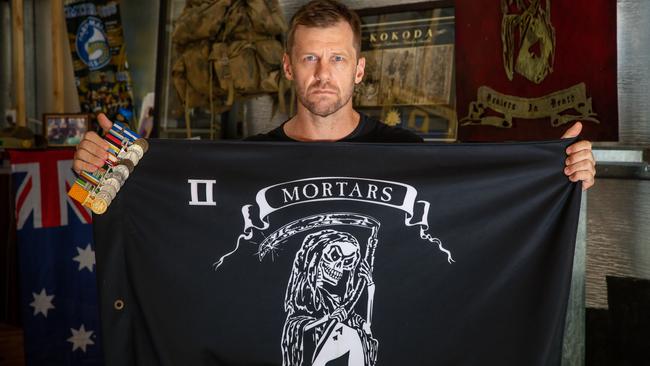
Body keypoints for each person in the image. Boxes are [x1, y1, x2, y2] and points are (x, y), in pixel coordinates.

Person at [72, 0, 595, 191]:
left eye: (338, 58)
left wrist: (557, 171)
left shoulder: (408, 156)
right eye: (310, 58)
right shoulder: (246, 162)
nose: (324, 73)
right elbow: (157, 213)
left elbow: (488, 202)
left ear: (360, 70)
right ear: (287, 68)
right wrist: (101, 168)